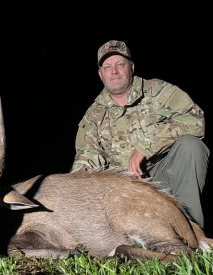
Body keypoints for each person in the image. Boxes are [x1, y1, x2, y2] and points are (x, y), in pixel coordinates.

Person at [71, 40, 210, 228]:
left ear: (131, 67)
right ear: (100, 74)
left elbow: (195, 120)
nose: (114, 71)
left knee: (191, 146)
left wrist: (145, 147)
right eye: (107, 66)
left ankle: (192, 229)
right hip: (124, 189)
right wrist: (72, 185)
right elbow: (88, 155)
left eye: (120, 64)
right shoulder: (93, 116)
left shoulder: (158, 91)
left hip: (164, 176)